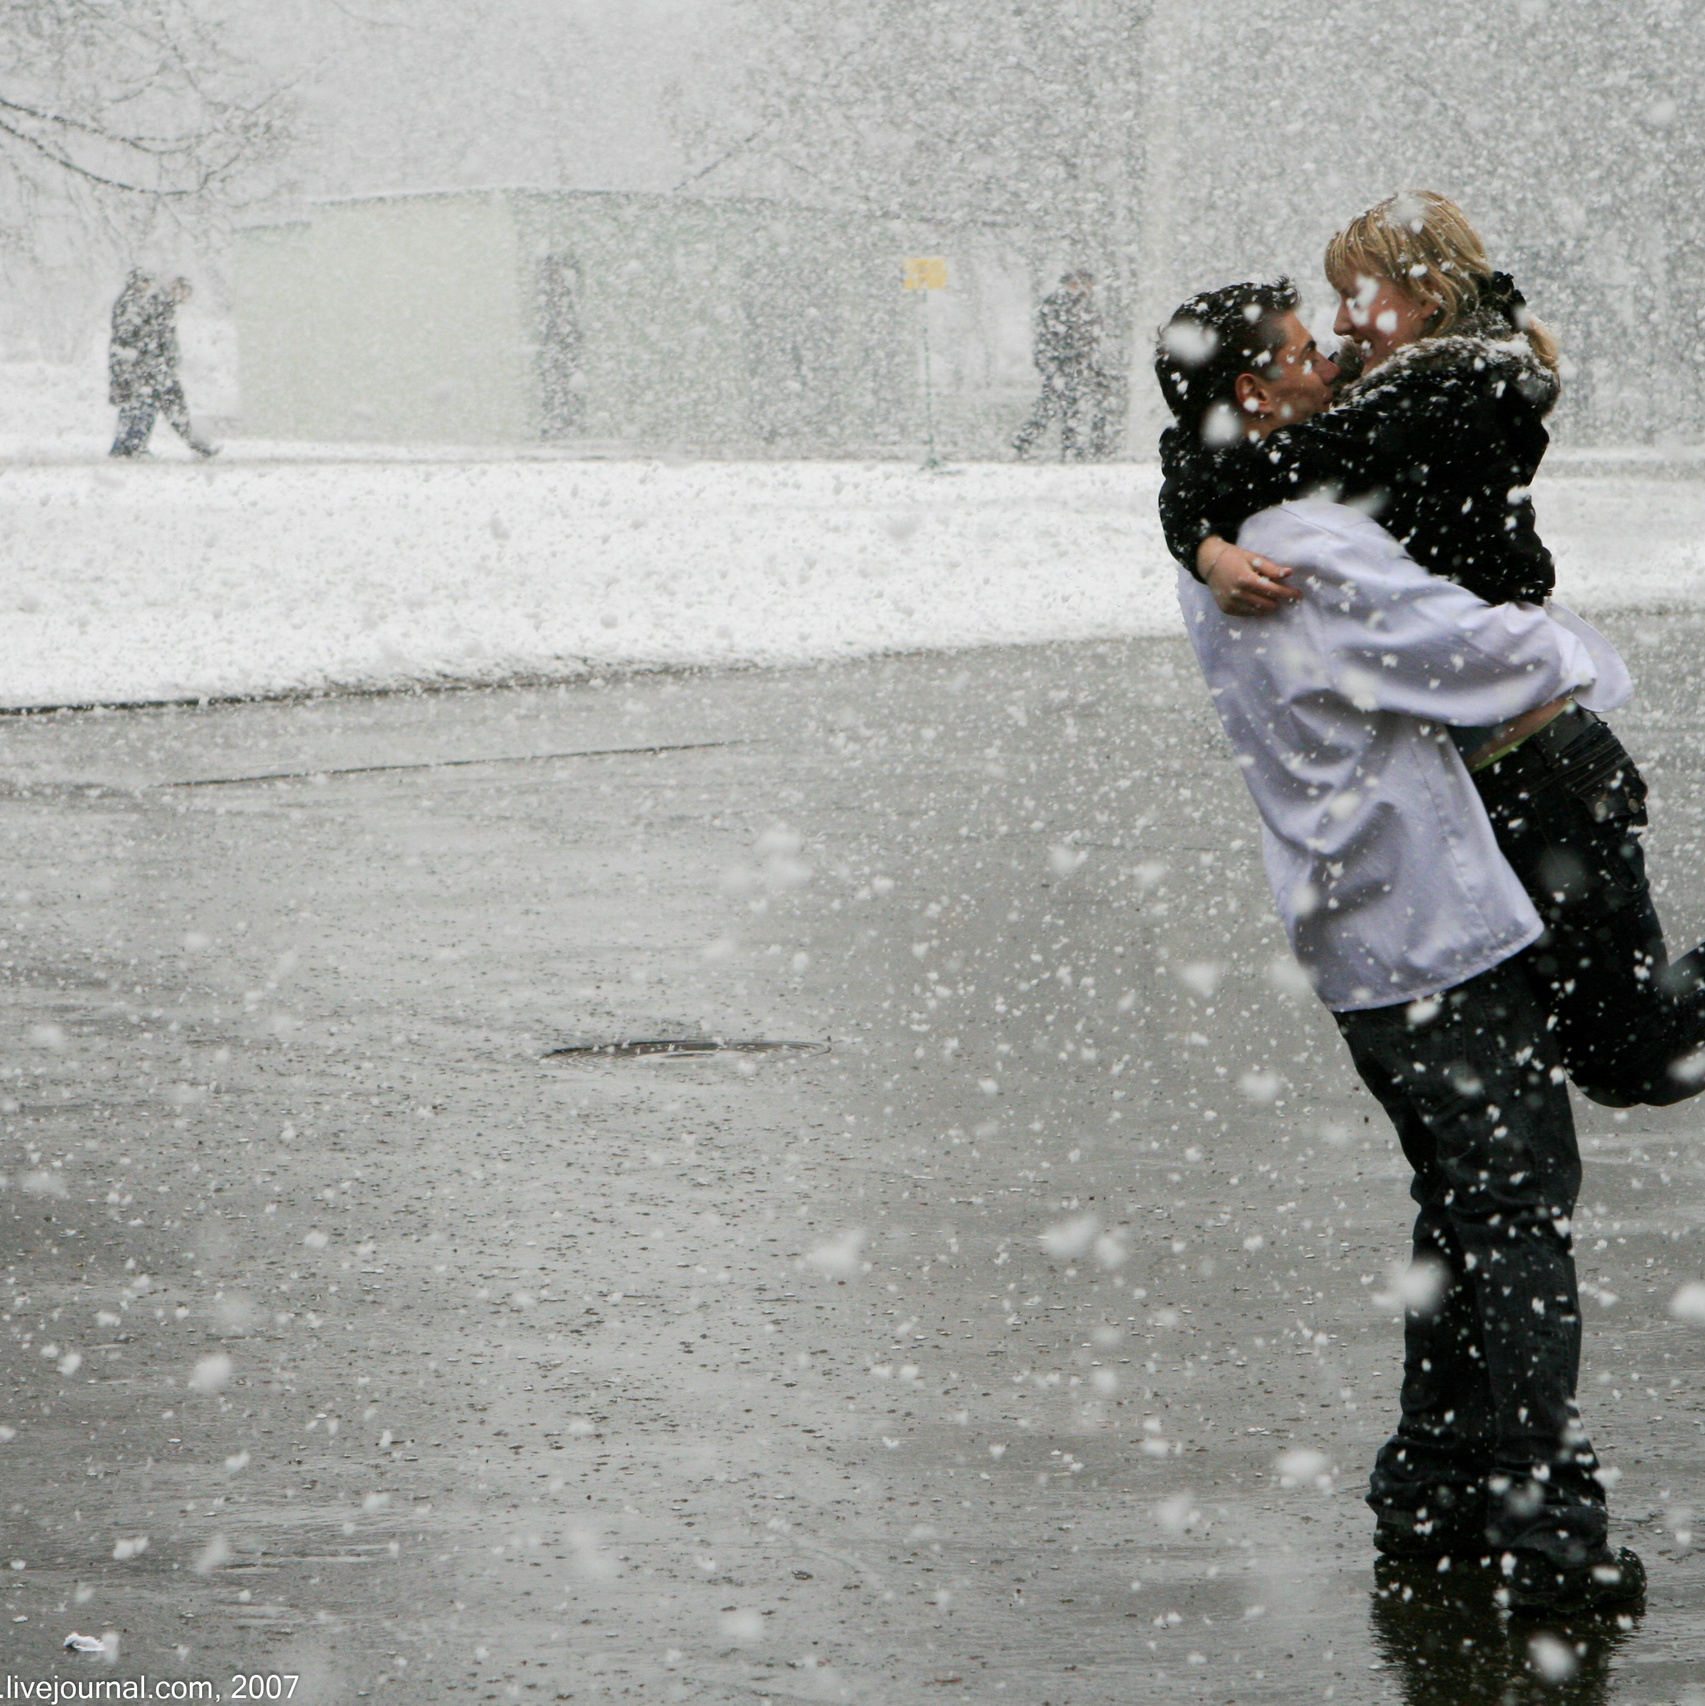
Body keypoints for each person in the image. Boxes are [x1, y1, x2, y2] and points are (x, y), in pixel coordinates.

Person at [1154, 286, 1645, 1613]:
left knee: (1460, 1207)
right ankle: (1538, 1518)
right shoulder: (1306, 542)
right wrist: (1578, 650)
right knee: (1516, 1211)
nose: (1330, 369)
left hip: (1360, 943)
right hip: (1432, 936)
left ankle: (1434, 1487)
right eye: (1307, 355)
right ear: (1256, 393)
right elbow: (1475, 656)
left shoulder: (1229, 545)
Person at [1155, 197, 1705, 1110]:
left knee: (1627, 1053)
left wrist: (1198, 538)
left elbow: (1234, 464)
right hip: (1511, 768)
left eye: (1350, 297)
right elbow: (1217, 454)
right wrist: (1205, 543)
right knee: (1594, 1056)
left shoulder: (1446, 395)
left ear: (1422, 295)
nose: (1336, 325)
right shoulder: (1410, 387)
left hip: (1543, 764)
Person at [109, 274, 217, 459]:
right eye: (183, 293)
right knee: (152, 406)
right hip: (151, 368)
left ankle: (127, 446)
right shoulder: (150, 304)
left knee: (141, 406)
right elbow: (142, 337)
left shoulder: (153, 304)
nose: (184, 299)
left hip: (148, 367)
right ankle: (133, 446)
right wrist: (159, 360)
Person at [1013, 270, 1110, 461]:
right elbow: (1048, 338)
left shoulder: (1087, 306)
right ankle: (1030, 443)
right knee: (1055, 405)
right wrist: (1051, 365)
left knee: (1071, 406)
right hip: (1060, 364)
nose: (1083, 289)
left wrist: (1091, 363)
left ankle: (1071, 448)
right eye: (1078, 284)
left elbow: (1092, 338)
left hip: (1076, 365)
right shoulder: (1057, 305)